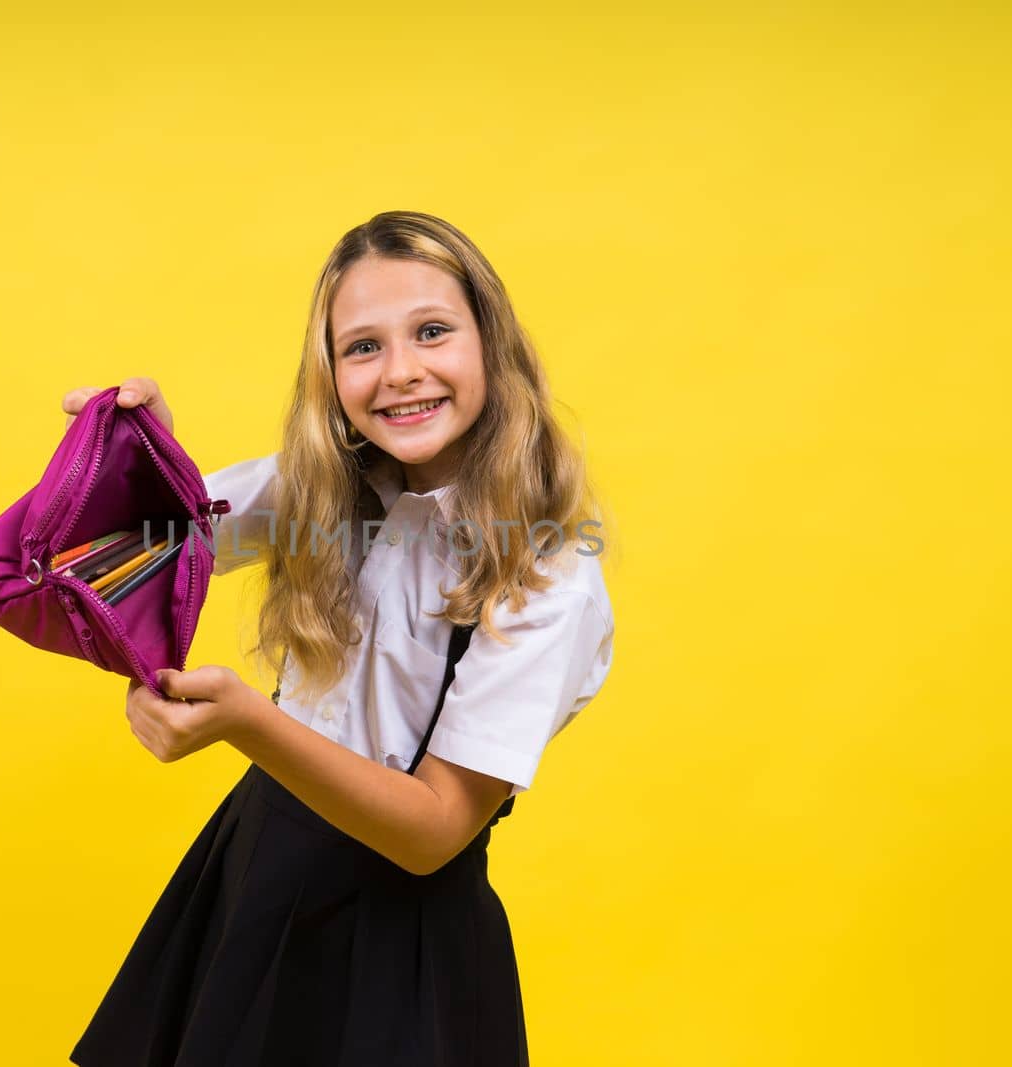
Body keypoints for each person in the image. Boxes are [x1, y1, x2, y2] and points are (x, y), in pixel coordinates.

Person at [64, 210, 615, 1067]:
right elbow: (136, 544)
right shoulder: (317, 492)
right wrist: (141, 450)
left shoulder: (548, 575)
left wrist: (247, 722)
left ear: (492, 346)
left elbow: (432, 832)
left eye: (432, 331)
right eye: (362, 347)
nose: (401, 372)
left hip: (405, 944)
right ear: (330, 373)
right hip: (257, 879)